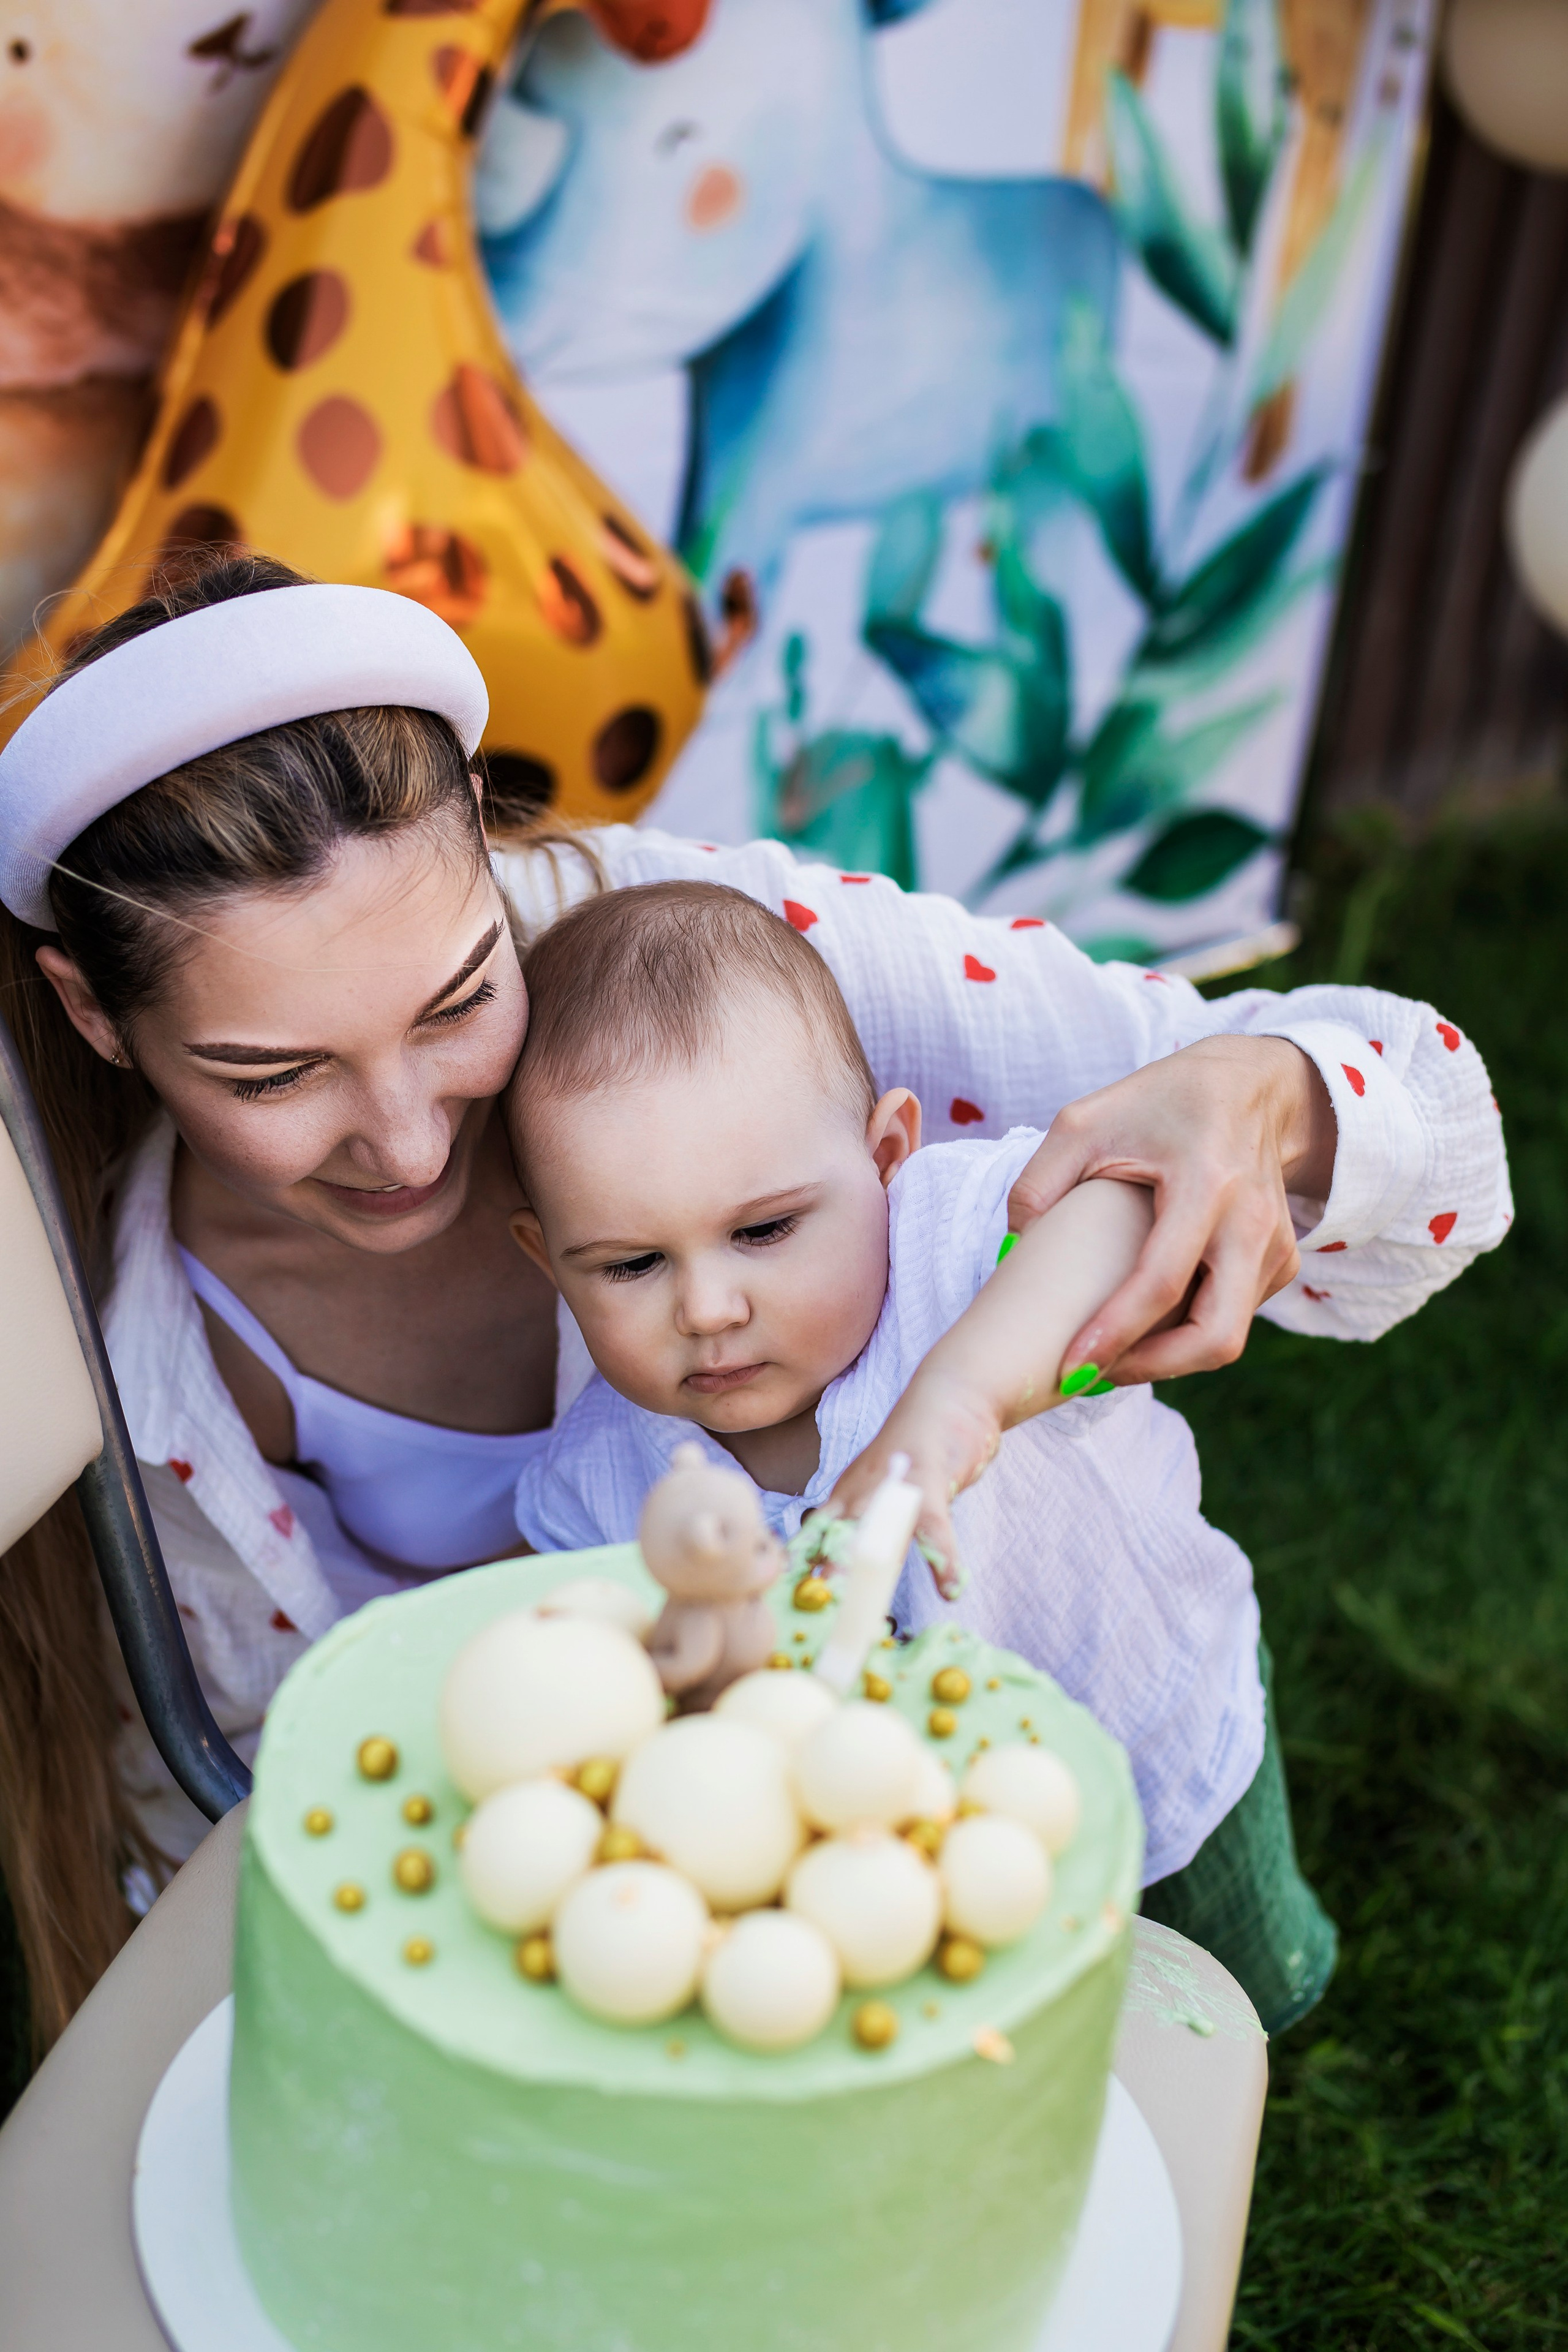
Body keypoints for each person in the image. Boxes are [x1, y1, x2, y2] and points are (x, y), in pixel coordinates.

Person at [0, 553, 1508, 2052]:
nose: (407, 1146)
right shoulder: (149, 1359)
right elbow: (271, 1768)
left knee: (1220, 2021)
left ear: (480, 839)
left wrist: (1265, 1097)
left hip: (1127, 1755)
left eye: (457, 1003)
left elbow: (1420, 1120)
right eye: (274, 1076)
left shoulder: (728, 967)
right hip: (757, 1883)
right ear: (90, 1013)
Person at [502, 881, 1331, 2030]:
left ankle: (1274, 2014)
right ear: (548, 1260)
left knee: (1227, 1996)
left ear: (886, 1154)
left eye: (764, 1230)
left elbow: (1128, 1213)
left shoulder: (951, 1247)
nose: (708, 1307)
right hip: (903, 1846)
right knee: (1015, 2043)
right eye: (631, 1265)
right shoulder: (596, 1480)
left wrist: (960, 1401)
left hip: (1147, 1739)